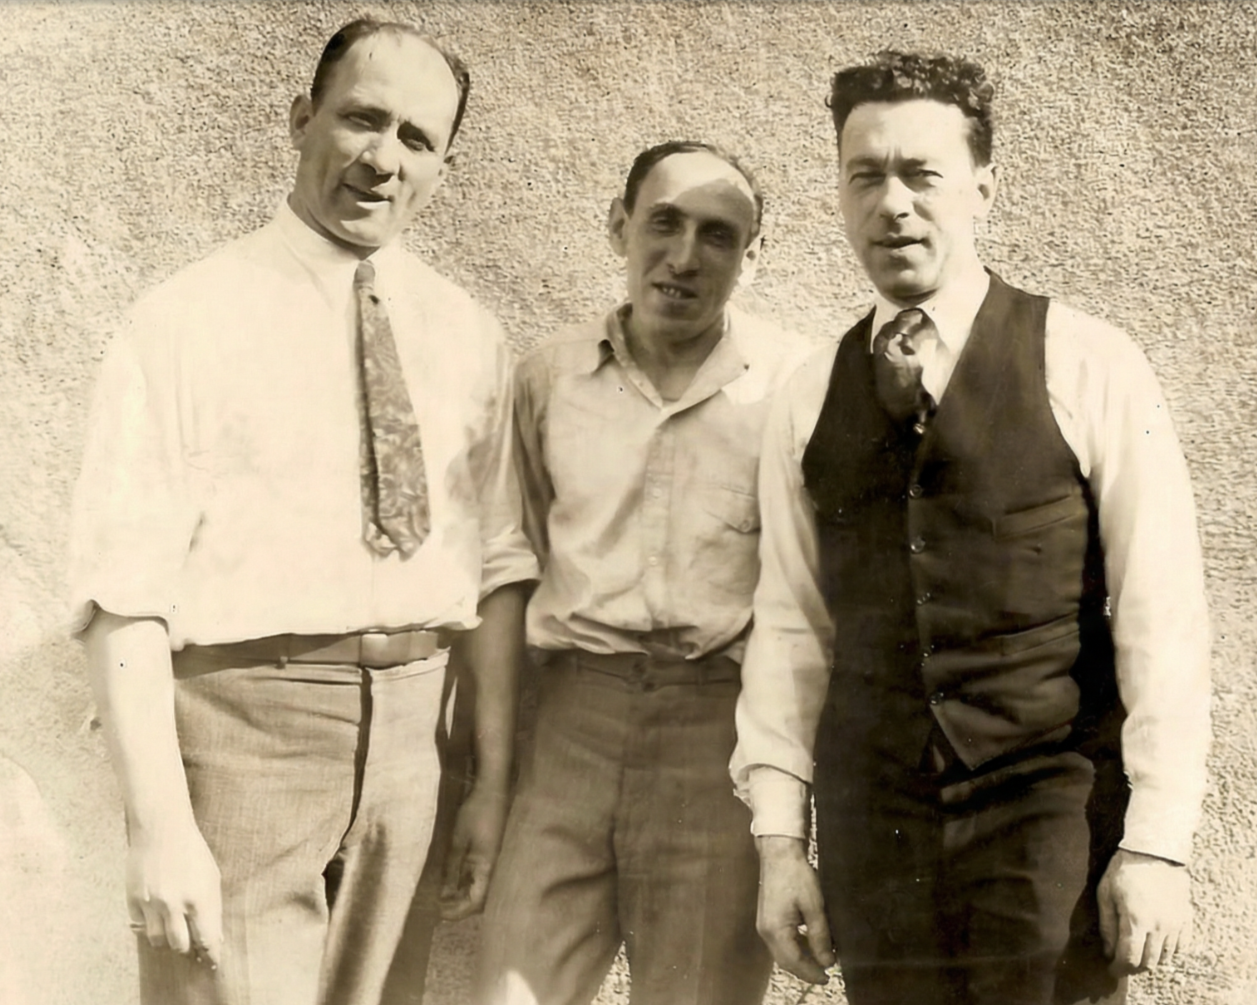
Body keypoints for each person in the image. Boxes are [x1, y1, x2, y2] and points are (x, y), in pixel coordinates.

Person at [67, 18, 537, 1005]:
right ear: (300, 119)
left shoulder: (468, 335)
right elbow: (124, 594)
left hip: (419, 738)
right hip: (243, 732)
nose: (382, 158)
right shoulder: (185, 320)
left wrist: (489, 782)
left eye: (417, 139)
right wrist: (158, 825)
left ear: (442, 169)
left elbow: (497, 571)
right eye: (361, 119)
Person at [733, 51, 1211, 1005]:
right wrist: (781, 843)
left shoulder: (1088, 361)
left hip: (1045, 812)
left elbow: (1163, 612)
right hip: (878, 828)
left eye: (922, 174)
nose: (892, 204)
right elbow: (790, 629)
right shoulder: (803, 396)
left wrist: (1156, 841)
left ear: (982, 189)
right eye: (865, 175)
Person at [474, 141, 807, 1005]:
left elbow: (807, 600)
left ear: (750, 255)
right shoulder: (548, 377)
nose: (684, 256)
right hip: (570, 727)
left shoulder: (793, 389)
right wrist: (495, 775)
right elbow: (512, 560)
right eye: (662, 223)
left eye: (718, 236)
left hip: (715, 740)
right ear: (618, 224)